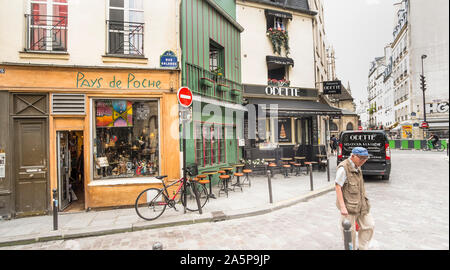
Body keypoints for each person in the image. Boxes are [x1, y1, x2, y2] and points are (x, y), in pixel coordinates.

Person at [335, 147, 374, 250]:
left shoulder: (357, 166)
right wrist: (343, 207)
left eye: (365, 159)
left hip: (361, 205)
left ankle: (362, 247)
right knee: (349, 233)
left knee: (369, 225)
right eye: (361, 158)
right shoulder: (343, 168)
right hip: (349, 207)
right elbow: (338, 186)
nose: (363, 161)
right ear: (353, 156)